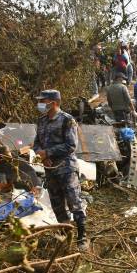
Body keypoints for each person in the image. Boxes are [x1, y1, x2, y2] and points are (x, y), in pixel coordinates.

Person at [32, 90, 88, 251]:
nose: (40, 103)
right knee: (57, 204)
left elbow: (71, 145)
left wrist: (48, 152)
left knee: (74, 202)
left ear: (54, 102)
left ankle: (82, 237)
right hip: (49, 168)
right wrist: (42, 156)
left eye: (43, 100)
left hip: (66, 168)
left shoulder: (67, 120)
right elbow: (37, 144)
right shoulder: (42, 120)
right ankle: (65, 235)